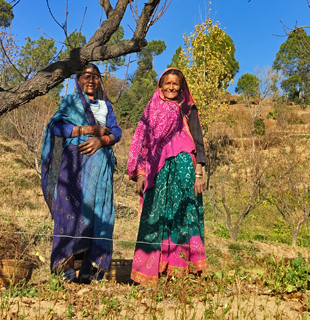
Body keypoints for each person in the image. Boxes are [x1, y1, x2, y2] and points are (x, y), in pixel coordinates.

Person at [41, 63, 122, 283]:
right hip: (72, 169)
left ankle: (88, 269)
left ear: (99, 81)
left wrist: (102, 140)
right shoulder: (70, 102)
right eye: (86, 76)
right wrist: (87, 130)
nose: (91, 80)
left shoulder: (106, 106)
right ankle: (67, 269)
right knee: (70, 214)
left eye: (95, 77)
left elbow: (117, 131)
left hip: (100, 171)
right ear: (78, 80)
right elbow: (56, 128)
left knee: (96, 216)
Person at [127, 68, 207, 283]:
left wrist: (199, 173)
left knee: (182, 216)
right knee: (155, 216)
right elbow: (143, 141)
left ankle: (178, 271)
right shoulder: (151, 108)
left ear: (181, 86)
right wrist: (141, 172)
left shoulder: (188, 108)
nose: (171, 87)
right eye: (167, 83)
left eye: (175, 84)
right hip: (158, 170)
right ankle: (151, 270)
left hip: (183, 168)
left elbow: (198, 141)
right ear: (160, 85)